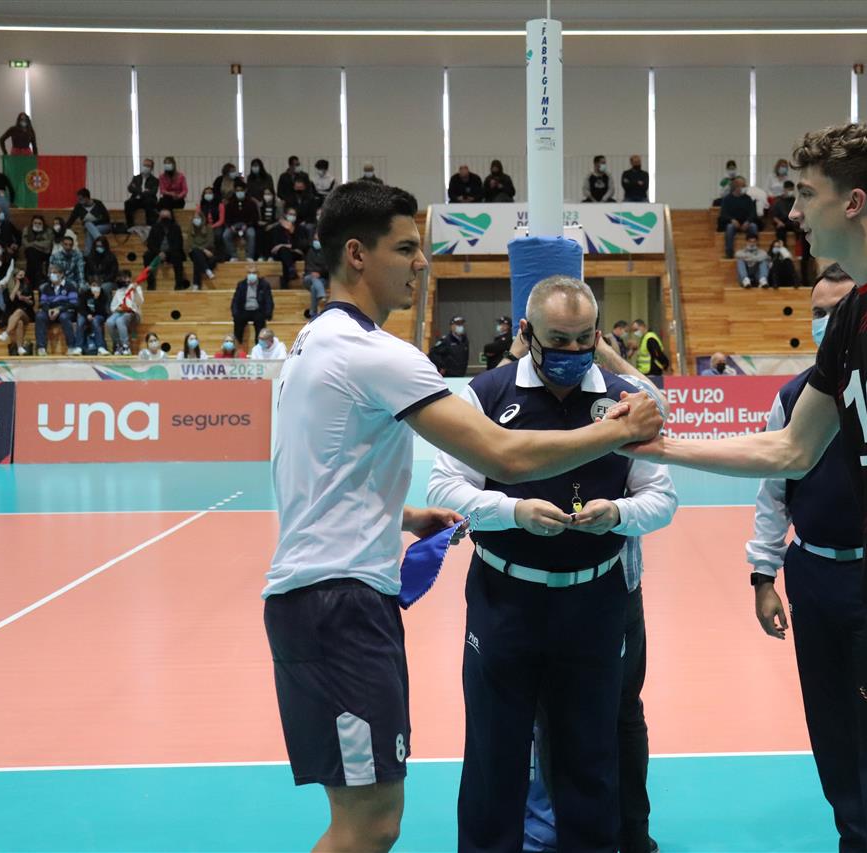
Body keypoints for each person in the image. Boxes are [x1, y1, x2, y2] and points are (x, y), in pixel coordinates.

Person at [623, 123, 867, 853]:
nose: (791, 211)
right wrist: (661, 445)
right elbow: (791, 447)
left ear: (854, 202)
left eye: (805, 193)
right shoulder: (852, 315)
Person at [262, 180, 661, 851]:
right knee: (369, 824)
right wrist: (617, 430)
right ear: (356, 254)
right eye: (406, 248)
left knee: (371, 817)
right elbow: (502, 454)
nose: (422, 262)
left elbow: (315, 474)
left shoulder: (313, 342)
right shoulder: (375, 353)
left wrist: (403, 515)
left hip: (329, 596)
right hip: (338, 603)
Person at [426, 274, 677, 853]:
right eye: (558, 340)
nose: (572, 351)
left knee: (590, 754)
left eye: (584, 338)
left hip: (595, 601)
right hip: (504, 600)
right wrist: (513, 511)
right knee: (494, 753)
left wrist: (618, 514)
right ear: (526, 332)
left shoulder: (626, 403)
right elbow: (444, 489)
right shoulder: (486, 395)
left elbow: (661, 498)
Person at [746, 263, 867, 853]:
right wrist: (763, 576)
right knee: (830, 722)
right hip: (812, 576)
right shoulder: (794, 397)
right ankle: (854, 838)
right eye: (818, 312)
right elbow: (773, 491)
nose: (826, 322)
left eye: (839, 311)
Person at [35, 264, 79, 356]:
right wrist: (48, 310)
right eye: (50, 273)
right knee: (40, 316)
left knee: (64, 317)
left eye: (54, 272)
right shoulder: (46, 287)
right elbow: (42, 303)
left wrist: (59, 309)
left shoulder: (70, 286)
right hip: (50, 311)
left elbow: (74, 303)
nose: (52, 275)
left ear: (61, 274)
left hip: (66, 311)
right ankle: (41, 348)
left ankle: (71, 346)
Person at [231, 264, 274, 344]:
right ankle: (238, 345)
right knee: (238, 321)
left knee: (260, 323)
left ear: (258, 274)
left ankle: (258, 345)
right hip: (244, 310)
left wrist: (268, 314)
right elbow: (235, 300)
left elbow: (268, 300)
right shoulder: (241, 284)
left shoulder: (264, 284)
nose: (251, 275)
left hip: (258, 310)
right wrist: (235, 313)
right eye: (249, 273)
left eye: (254, 273)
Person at [145, 207, 186, 291]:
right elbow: (150, 243)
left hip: (171, 253)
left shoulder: (176, 227)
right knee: (147, 256)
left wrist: (166, 253)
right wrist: (159, 252)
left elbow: (178, 244)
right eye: (163, 217)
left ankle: (179, 285)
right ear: (160, 218)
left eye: (167, 217)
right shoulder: (155, 227)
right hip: (157, 253)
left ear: (170, 217)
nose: (165, 220)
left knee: (178, 256)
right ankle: (151, 284)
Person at [718, 177, 759, 258]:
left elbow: (753, 213)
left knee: (753, 226)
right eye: (743, 186)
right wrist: (732, 220)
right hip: (733, 223)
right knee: (729, 228)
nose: (745, 187)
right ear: (736, 187)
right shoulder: (727, 199)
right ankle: (729, 253)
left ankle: (753, 250)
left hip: (746, 223)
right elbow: (723, 214)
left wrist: (748, 221)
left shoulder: (748, 198)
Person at [270, 206, 309, 288]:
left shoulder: (300, 228)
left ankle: (285, 285)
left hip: (296, 254)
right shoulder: (278, 228)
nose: (292, 216)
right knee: (284, 252)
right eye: (290, 214)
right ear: (285, 215)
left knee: (285, 259)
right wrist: (288, 246)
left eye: (294, 215)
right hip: (282, 253)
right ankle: (291, 269)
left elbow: (302, 244)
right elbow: (275, 245)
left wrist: (292, 232)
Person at [105, 271, 143, 356]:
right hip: (120, 312)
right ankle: (118, 345)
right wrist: (118, 308)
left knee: (119, 321)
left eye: (125, 277)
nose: (124, 280)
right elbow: (112, 307)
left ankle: (126, 346)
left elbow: (140, 302)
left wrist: (135, 291)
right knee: (109, 322)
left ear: (130, 278)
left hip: (133, 313)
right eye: (122, 278)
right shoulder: (119, 291)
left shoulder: (136, 288)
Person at [2, 269, 36, 354]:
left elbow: (32, 303)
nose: (22, 278)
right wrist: (16, 288)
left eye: (23, 275)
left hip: (26, 313)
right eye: (20, 276)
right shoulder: (7, 289)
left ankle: (6, 333)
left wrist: (25, 300)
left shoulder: (27, 287)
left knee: (19, 311)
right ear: (14, 277)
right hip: (11, 314)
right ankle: (20, 347)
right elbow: (8, 302)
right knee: (19, 322)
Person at [223, 181, 259, 260]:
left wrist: (247, 225)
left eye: (241, 190)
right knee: (226, 235)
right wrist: (231, 226)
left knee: (251, 234)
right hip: (234, 225)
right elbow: (227, 218)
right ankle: (233, 256)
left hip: (247, 225)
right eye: (237, 191)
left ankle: (250, 256)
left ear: (245, 191)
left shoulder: (251, 203)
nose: (239, 192)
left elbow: (254, 218)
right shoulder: (230, 203)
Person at [75, 279, 111, 355]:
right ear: (90, 286)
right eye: (93, 285)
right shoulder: (85, 294)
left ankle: (101, 347)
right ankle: (78, 347)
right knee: (80, 321)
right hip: (86, 315)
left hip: (99, 315)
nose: (95, 288)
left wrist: (96, 299)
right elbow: (81, 308)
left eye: (97, 286)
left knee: (95, 321)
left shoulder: (104, 295)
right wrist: (87, 315)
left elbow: (104, 310)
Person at [125, 157, 161, 226]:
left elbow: (153, 192)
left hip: (148, 200)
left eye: (148, 166)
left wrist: (137, 190)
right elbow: (130, 188)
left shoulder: (155, 180)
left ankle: (149, 225)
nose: (145, 167)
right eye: (144, 165)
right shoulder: (136, 178)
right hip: (136, 199)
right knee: (128, 203)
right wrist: (142, 190)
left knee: (149, 203)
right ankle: (130, 226)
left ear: (151, 168)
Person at [303, 235, 330, 319]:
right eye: (315, 239)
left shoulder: (327, 253)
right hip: (309, 277)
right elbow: (308, 267)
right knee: (312, 278)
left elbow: (329, 268)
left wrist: (319, 273)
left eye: (318, 239)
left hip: (322, 278)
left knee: (314, 287)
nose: (316, 241)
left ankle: (313, 313)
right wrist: (313, 273)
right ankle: (322, 295)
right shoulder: (309, 251)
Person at [187, 213, 217, 290]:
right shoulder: (191, 229)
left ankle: (196, 284)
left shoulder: (208, 228)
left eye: (198, 218)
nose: (196, 220)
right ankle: (207, 270)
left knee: (197, 260)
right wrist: (203, 249)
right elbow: (191, 243)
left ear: (202, 219)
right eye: (194, 218)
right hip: (195, 252)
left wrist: (203, 250)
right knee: (196, 252)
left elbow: (210, 242)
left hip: (207, 252)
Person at [22, 214, 54, 283]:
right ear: (32, 223)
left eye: (39, 223)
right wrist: (38, 245)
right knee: (32, 252)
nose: (37, 225)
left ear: (43, 224)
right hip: (31, 253)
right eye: (35, 223)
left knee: (32, 254)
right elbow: (25, 244)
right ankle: (38, 278)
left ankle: (29, 279)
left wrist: (34, 243)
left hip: (44, 253)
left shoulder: (48, 230)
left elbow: (47, 244)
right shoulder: (27, 229)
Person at [256, 186, 282, 260]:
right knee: (260, 232)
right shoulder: (260, 205)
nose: (267, 196)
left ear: (273, 195)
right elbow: (257, 219)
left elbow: (280, 219)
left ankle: (271, 255)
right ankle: (261, 255)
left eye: (269, 194)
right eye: (265, 194)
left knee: (273, 232)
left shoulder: (278, 205)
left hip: (274, 225)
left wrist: (272, 225)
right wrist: (261, 223)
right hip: (263, 224)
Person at [771, 180, 800, 245]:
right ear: (784, 189)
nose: (791, 191)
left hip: (793, 223)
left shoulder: (795, 201)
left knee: (801, 229)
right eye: (789, 189)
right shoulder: (778, 201)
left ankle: (800, 249)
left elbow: (799, 213)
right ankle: (783, 249)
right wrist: (779, 222)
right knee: (780, 230)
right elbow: (774, 216)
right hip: (781, 223)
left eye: (792, 190)